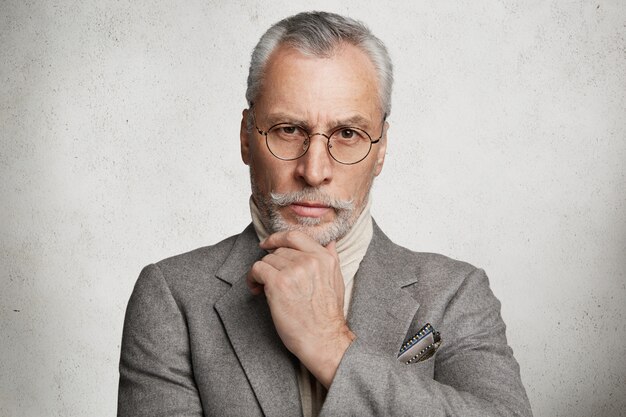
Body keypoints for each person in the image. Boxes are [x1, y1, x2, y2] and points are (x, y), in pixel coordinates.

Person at [118, 11, 532, 417]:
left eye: (348, 134)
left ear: (381, 148)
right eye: (288, 129)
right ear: (246, 138)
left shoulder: (455, 293)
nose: (314, 171)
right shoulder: (171, 296)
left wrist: (333, 346)